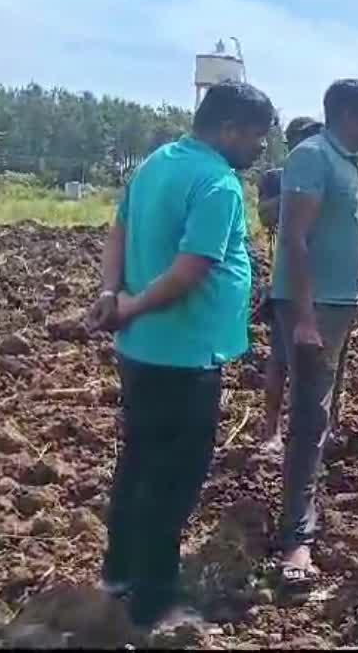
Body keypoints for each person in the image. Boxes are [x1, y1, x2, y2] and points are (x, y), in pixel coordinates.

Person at [86, 81, 275, 629]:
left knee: (139, 461)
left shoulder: (155, 163)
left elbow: (118, 229)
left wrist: (111, 295)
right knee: (173, 480)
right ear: (229, 129)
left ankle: (119, 574)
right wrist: (133, 306)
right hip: (184, 354)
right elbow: (192, 270)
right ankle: (154, 602)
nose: (260, 149)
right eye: (258, 137)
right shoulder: (218, 184)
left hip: (141, 350)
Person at [272, 79, 358, 587]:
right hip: (314, 308)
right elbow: (293, 238)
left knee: (322, 415)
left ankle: (309, 502)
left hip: (338, 305)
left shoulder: (346, 161)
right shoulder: (313, 156)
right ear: (347, 114)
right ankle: (295, 539)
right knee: (308, 420)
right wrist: (304, 318)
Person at [257, 116, 323, 451]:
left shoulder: (331, 170)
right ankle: (271, 430)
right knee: (280, 358)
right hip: (287, 279)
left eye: (316, 136)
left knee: (326, 361)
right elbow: (266, 215)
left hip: (326, 280)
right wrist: (298, 192)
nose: (312, 143)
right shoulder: (275, 179)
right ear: (291, 142)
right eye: (304, 137)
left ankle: (321, 428)